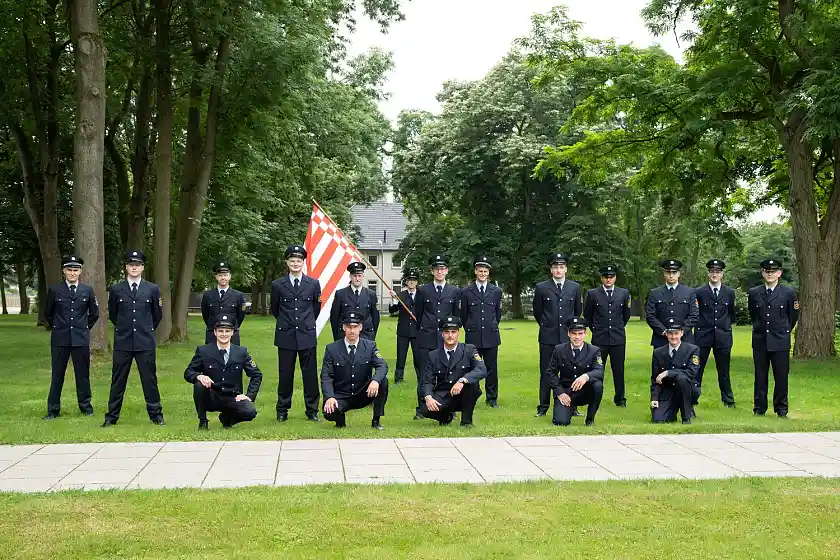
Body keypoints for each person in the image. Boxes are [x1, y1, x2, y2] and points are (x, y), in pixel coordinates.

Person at [102, 250, 165, 427]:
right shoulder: (116, 289)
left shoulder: (152, 289)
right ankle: (111, 417)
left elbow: (157, 315)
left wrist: (145, 330)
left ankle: (156, 415)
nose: (134, 267)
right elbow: (114, 315)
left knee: (149, 380)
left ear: (143, 267)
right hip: (123, 342)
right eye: (131, 264)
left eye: (137, 265)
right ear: (126, 267)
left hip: (145, 342)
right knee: (118, 381)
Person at [43, 255, 100, 420]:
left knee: (82, 374)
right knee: (57, 375)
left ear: (80, 271)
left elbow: (94, 314)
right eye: (69, 270)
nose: (72, 273)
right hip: (60, 339)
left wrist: (82, 328)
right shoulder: (55, 290)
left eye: (75, 270)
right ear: (64, 271)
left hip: (80, 339)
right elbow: (48, 313)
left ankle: (86, 407)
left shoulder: (87, 291)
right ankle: (53, 410)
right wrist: (60, 327)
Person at [271, 245, 322, 422]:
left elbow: (316, 308)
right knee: (285, 374)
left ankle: (312, 410)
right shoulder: (277, 285)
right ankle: (282, 410)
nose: (295, 264)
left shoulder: (313, 284)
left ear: (303, 263)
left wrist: (304, 324)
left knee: (310, 375)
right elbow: (275, 309)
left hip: (307, 335)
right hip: (286, 336)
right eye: (292, 261)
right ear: (287, 262)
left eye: (298, 261)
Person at [184, 314, 261, 430]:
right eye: (220, 331)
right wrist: (198, 376)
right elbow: (188, 372)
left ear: (232, 332)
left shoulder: (241, 352)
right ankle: (203, 421)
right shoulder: (203, 351)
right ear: (215, 332)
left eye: (227, 331)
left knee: (250, 411)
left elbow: (256, 375)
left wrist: (249, 396)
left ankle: (227, 418)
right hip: (212, 396)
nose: (224, 334)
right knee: (199, 384)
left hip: (232, 397)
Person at [532, 252, 582, 417]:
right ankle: (543, 406)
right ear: (551, 269)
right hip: (548, 336)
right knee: (546, 371)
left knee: (570, 371)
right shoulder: (541, 287)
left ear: (566, 269)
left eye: (561, 267)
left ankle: (572, 406)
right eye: (555, 267)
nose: (558, 270)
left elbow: (577, 312)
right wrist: (548, 325)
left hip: (568, 337)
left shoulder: (574, 287)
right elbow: (538, 312)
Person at [412, 254, 461, 418]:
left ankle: (449, 408)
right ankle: (421, 408)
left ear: (446, 270)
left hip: (445, 340)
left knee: (448, 375)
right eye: (436, 269)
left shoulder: (454, 291)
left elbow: (455, 316)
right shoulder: (423, 290)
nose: (440, 271)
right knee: (424, 375)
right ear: (432, 271)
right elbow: (418, 314)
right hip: (426, 338)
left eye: (442, 268)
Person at [748, 258, 799, 418]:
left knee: (781, 377)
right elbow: (753, 314)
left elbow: (793, 316)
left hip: (780, 341)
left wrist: (784, 331)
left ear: (779, 273)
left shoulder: (789, 293)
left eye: (773, 271)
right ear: (763, 273)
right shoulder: (754, 292)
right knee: (760, 377)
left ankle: (781, 409)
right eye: (767, 271)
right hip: (760, 341)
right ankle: (759, 408)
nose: (770, 274)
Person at [321, 311, 389, 429]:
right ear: (343, 327)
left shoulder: (370, 346)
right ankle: (340, 419)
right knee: (329, 412)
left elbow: (382, 365)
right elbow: (326, 376)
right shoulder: (331, 349)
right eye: (349, 327)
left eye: (355, 327)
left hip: (363, 393)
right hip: (342, 395)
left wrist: (375, 381)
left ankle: (376, 420)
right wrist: (330, 397)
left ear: (360, 327)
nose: (352, 331)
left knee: (383, 381)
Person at [418, 316, 487, 428]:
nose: (450, 335)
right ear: (442, 334)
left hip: (463, 393)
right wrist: (428, 397)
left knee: (472, 385)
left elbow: (482, 369)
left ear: (458, 334)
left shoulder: (469, 350)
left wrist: (462, 381)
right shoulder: (433, 355)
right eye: (447, 332)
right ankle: (446, 416)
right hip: (444, 394)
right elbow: (427, 381)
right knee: (425, 409)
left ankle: (466, 422)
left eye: (453, 332)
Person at [583, 264, 631, 407]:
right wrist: (597, 329)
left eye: (611, 277)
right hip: (599, 339)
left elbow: (626, 315)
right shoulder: (593, 294)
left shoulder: (623, 293)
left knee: (619, 370)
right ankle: (595, 396)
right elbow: (588, 315)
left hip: (617, 339)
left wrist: (617, 328)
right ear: (601, 278)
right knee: (597, 370)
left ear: (615, 277)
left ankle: (620, 399)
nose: (608, 279)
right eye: (606, 277)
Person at [544, 317, 604, 426]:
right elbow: (550, 373)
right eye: (574, 333)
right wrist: (559, 392)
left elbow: (599, 371)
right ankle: (569, 409)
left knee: (598, 385)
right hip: (567, 392)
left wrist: (585, 377)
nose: (577, 337)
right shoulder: (559, 349)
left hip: (585, 392)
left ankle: (590, 419)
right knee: (560, 422)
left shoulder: (594, 350)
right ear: (568, 333)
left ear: (585, 334)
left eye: (580, 333)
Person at [460, 255, 502, 407]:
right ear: (475, 272)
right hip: (473, 335)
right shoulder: (466, 292)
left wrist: (490, 326)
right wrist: (471, 327)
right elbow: (463, 315)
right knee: (473, 367)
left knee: (491, 368)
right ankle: (473, 395)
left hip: (491, 336)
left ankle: (492, 398)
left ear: (488, 273)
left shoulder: (496, 291)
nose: (483, 274)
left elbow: (497, 314)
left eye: (485, 271)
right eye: (480, 271)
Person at [694, 259, 737, 407]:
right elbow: (696, 313)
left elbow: (731, 313)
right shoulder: (699, 292)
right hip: (702, 336)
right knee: (697, 369)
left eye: (717, 272)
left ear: (722, 274)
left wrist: (724, 327)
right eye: (712, 271)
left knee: (724, 371)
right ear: (708, 273)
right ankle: (693, 398)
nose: (714, 274)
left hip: (723, 336)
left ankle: (728, 401)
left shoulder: (729, 293)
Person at [650, 319, 699, 424]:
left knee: (681, 379)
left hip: (687, 389)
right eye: (670, 334)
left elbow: (691, 373)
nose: (673, 337)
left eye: (676, 333)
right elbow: (655, 379)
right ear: (666, 334)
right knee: (658, 419)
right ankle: (673, 408)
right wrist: (654, 397)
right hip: (668, 390)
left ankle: (686, 416)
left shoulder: (693, 350)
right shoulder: (658, 353)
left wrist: (668, 373)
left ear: (681, 333)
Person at [645, 259, 699, 349]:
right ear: (664, 273)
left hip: (684, 339)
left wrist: (681, 332)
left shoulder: (689, 292)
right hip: (661, 340)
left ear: (679, 273)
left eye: (674, 272)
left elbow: (694, 315)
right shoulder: (655, 293)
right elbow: (650, 316)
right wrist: (664, 331)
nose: (671, 275)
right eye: (668, 272)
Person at [329, 261, 379, 341]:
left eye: (359, 275)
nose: (357, 278)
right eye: (354, 276)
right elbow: (334, 318)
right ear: (350, 276)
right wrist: (338, 337)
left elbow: (375, 318)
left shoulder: (371, 294)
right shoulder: (340, 294)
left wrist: (371, 335)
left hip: (366, 336)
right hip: (345, 336)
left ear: (363, 276)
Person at [200, 261, 247, 345]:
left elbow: (241, 315)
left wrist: (232, 327)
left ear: (229, 276)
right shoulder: (208, 295)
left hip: (231, 335)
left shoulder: (238, 295)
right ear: (216, 277)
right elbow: (205, 315)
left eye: (225, 275)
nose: (223, 278)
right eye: (220, 275)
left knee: (232, 358)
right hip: (212, 335)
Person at [388, 267, 420, 384]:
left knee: (418, 357)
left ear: (417, 282)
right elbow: (392, 311)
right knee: (401, 356)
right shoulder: (400, 295)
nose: (411, 282)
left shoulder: (422, 294)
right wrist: (393, 300)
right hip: (403, 331)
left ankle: (421, 377)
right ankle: (398, 378)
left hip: (417, 331)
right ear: (406, 281)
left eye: (414, 280)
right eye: (409, 279)